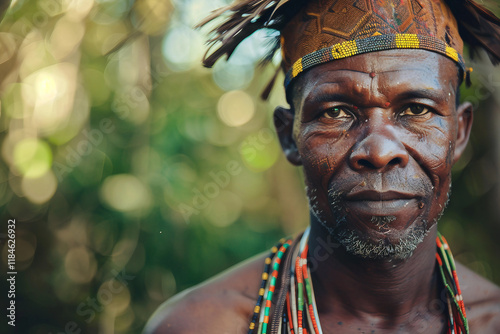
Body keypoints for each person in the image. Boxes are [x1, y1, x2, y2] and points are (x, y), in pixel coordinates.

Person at [144, 0, 500, 333]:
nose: (378, 151)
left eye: (417, 109)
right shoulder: (203, 324)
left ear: (460, 131)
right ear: (289, 136)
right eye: (335, 112)